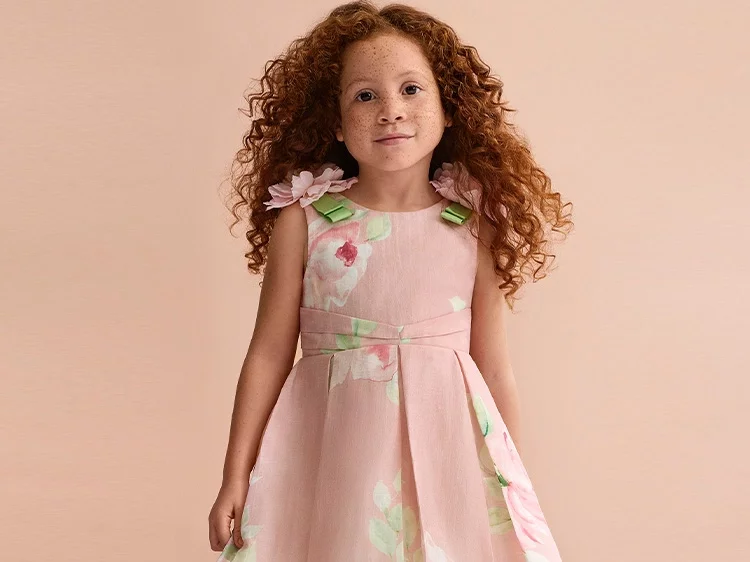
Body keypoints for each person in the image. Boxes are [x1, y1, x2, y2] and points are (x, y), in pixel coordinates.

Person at [208, 1, 573, 560]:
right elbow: (268, 353)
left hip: (451, 456)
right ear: (334, 121)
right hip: (332, 453)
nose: (391, 111)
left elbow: (494, 366)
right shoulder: (305, 221)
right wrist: (235, 475)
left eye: (411, 89)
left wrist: (513, 483)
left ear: (448, 110)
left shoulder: (473, 225)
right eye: (365, 96)